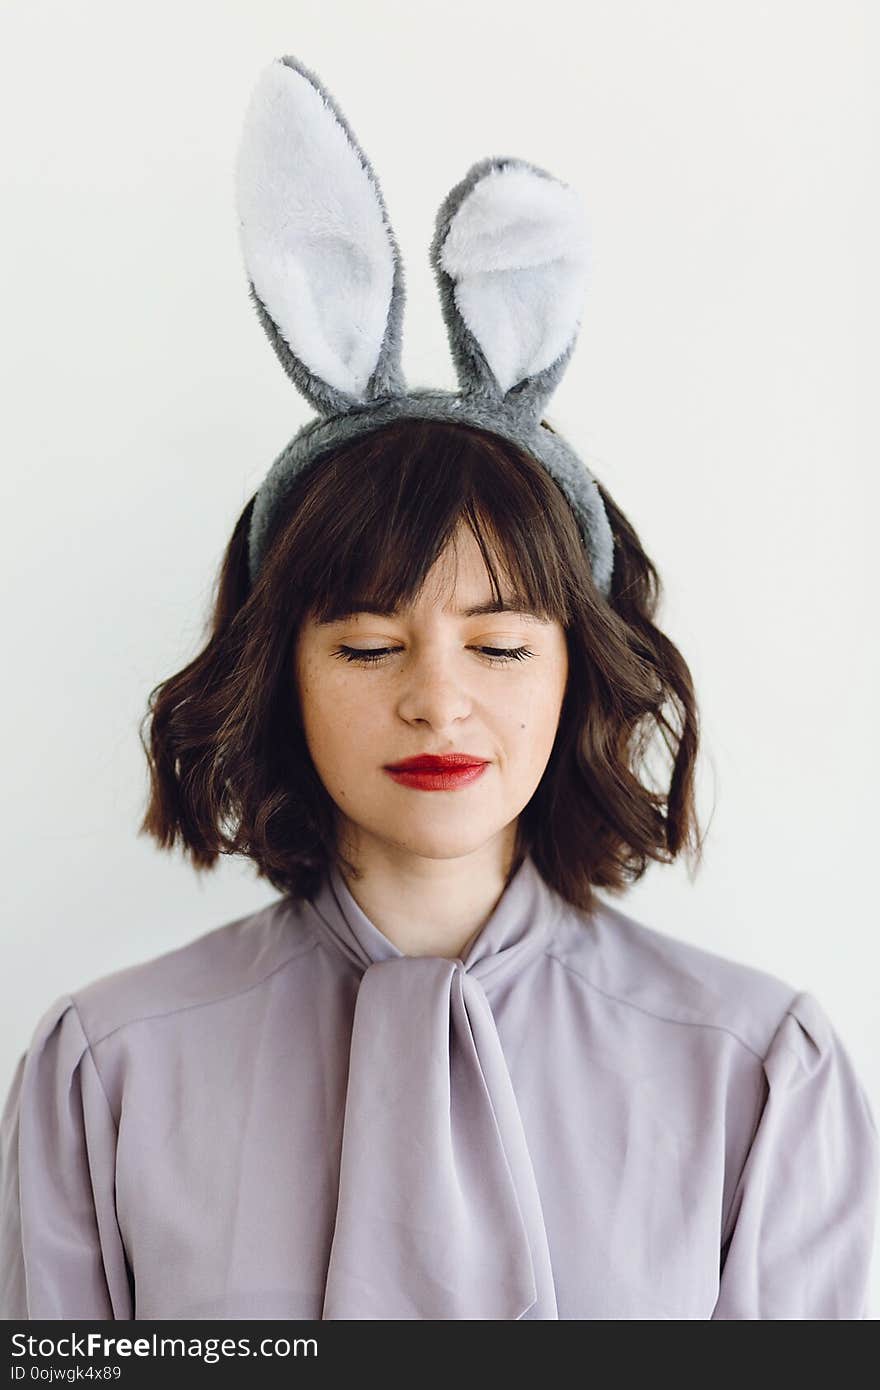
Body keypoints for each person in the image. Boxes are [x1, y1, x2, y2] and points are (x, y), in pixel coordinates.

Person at [1, 54, 877, 1321]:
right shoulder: (106, 1070)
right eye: (366, 645)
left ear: (580, 670)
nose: (437, 701)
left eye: (502, 644)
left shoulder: (759, 1074)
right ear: (276, 671)